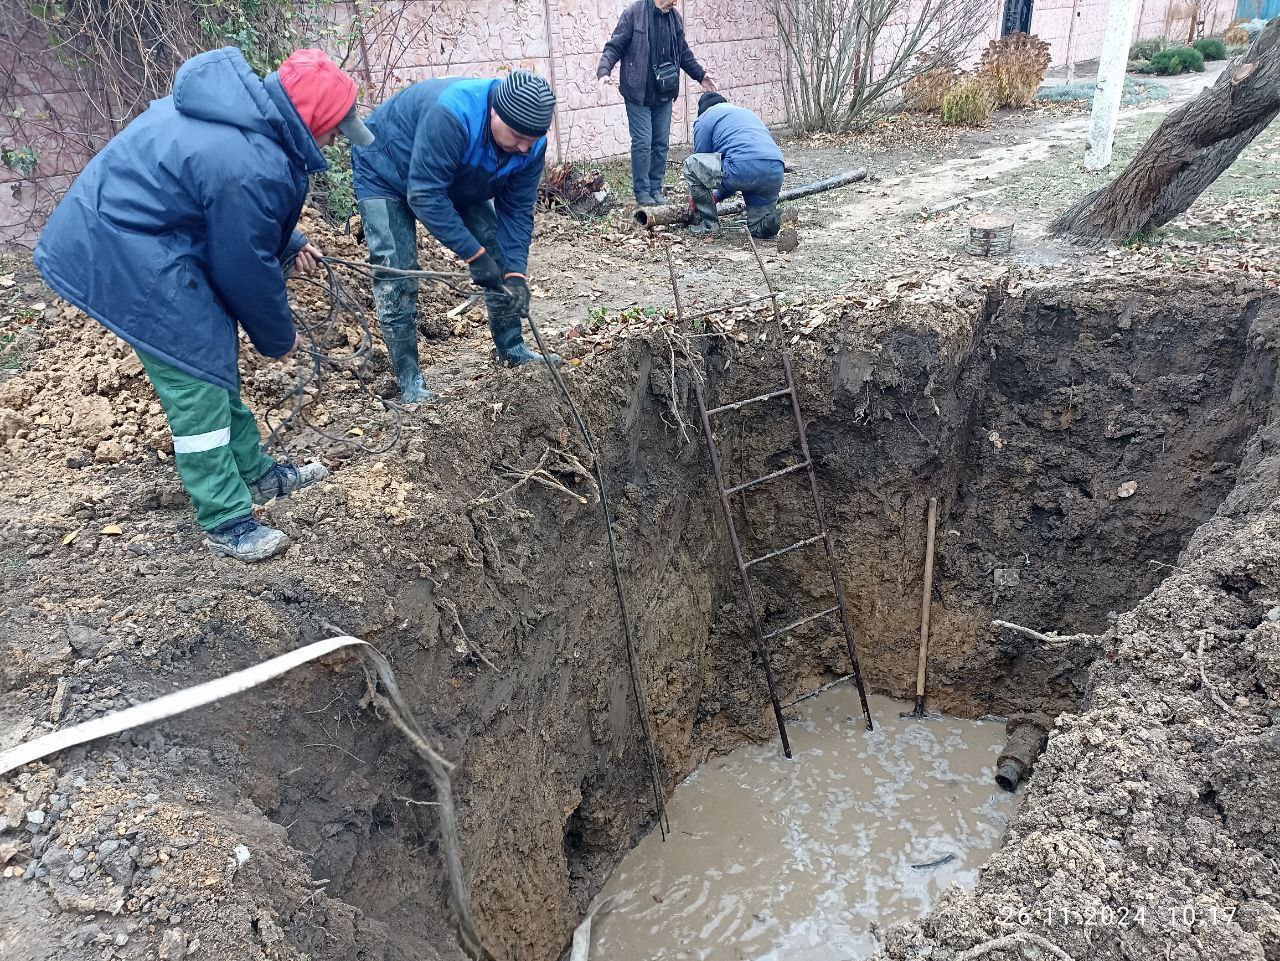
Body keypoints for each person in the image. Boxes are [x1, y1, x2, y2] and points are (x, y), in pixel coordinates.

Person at [33, 47, 374, 563]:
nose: (332, 142)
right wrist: (279, 337)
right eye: (333, 130)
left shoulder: (244, 119)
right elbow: (242, 263)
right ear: (311, 122)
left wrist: (290, 240)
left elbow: (224, 207)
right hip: (120, 250)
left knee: (210, 365)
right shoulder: (246, 158)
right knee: (196, 373)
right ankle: (225, 518)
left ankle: (256, 475)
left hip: (144, 235)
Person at [351, 70, 559, 403]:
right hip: (386, 168)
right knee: (397, 273)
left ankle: (512, 347)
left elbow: (517, 213)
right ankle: (410, 379)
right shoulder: (452, 115)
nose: (523, 147)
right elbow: (424, 196)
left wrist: (516, 274)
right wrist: (474, 257)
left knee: (498, 249)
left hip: (455, 175)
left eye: (531, 140)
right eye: (517, 136)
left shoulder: (529, 147)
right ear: (495, 112)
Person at [598, 0, 715, 207]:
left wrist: (701, 75)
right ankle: (642, 192)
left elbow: (683, 53)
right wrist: (604, 71)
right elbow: (614, 46)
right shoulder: (634, 12)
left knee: (661, 144)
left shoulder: (674, 18)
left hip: (664, 91)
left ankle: (656, 188)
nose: (676, 2)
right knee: (643, 142)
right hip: (638, 92)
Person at [683, 92, 785, 239]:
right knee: (758, 227)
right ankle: (778, 217)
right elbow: (728, 176)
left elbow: (702, 165)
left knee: (691, 164)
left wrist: (701, 200)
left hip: (742, 168)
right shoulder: (745, 113)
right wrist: (716, 197)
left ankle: (709, 226)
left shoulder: (704, 118)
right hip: (775, 169)